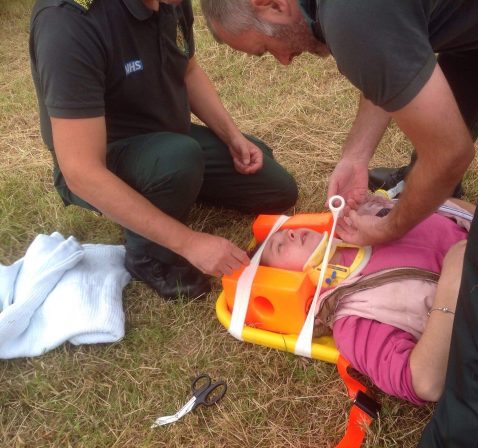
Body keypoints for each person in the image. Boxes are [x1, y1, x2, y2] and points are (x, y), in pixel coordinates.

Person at [200, 1, 478, 444]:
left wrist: (399, 220)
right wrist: (358, 157)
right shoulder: (354, 312)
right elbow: (422, 382)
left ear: (272, 5)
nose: (283, 60)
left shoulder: (350, 17)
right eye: (280, 247)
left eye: (265, 47)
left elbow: (448, 157)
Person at [29, 0, 298, 300]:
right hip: (104, 159)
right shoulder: (67, 23)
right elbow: (80, 171)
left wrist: (232, 136)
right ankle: (146, 255)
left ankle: (175, 185)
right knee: (177, 158)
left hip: (170, 141)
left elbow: (188, 69)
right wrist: (188, 242)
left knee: (277, 190)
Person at [260, 195, 478, 405]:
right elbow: (423, 382)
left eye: (288, 228)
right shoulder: (350, 315)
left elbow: (464, 212)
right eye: (279, 246)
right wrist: (453, 286)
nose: (290, 232)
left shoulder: (369, 218)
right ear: (282, 281)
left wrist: (394, 211)